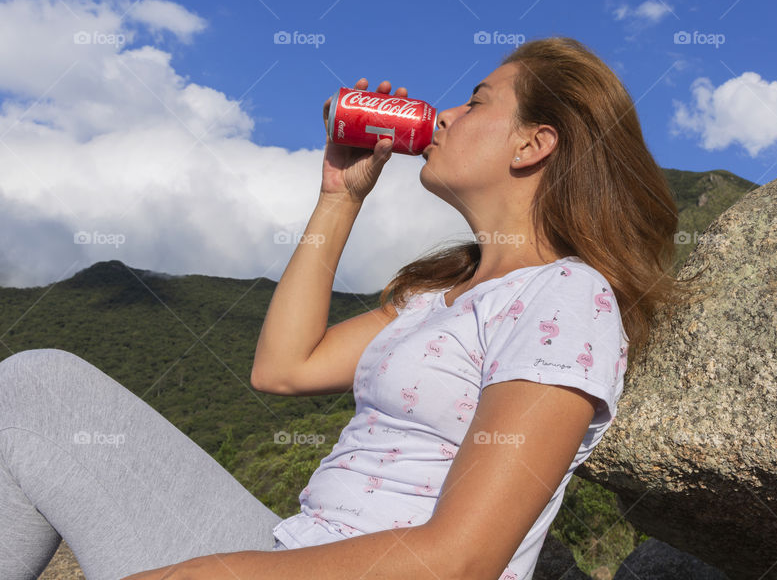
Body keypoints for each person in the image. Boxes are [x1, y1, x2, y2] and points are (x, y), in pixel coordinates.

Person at [0, 36, 689, 580]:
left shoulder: (565, 296)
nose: (444, 114)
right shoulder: (437, 296)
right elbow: (283, 368)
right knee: (37, 387)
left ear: (533, 144)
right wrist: (340, 195)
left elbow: (461, 560)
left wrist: (214, 574)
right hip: (287, 548)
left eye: (477, 102)